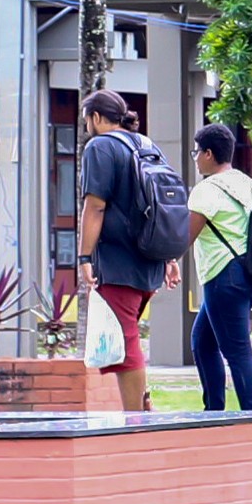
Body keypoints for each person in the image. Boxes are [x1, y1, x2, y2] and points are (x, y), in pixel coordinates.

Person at [71, 88, 165, 415]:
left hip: (118, 259)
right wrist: (168, 257)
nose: (86, 128)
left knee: (125, 344)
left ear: (96, 118)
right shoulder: (147, 144)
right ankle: (143, 403)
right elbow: (162, 204)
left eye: (86, 121)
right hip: (150, 258)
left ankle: (136, 418)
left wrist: (84, 257)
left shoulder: (101, 146)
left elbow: (95, 206)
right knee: (126, 337)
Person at [185, 120, 252, 415]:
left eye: (197, 151)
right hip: (249, 275)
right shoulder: (247, 183)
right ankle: (214, 412)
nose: (195, 157)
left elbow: (186, 235)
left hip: (223, 276)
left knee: (238, 352)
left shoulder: (205, 190)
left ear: (209, 153)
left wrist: (161, 256)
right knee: (202, 342)